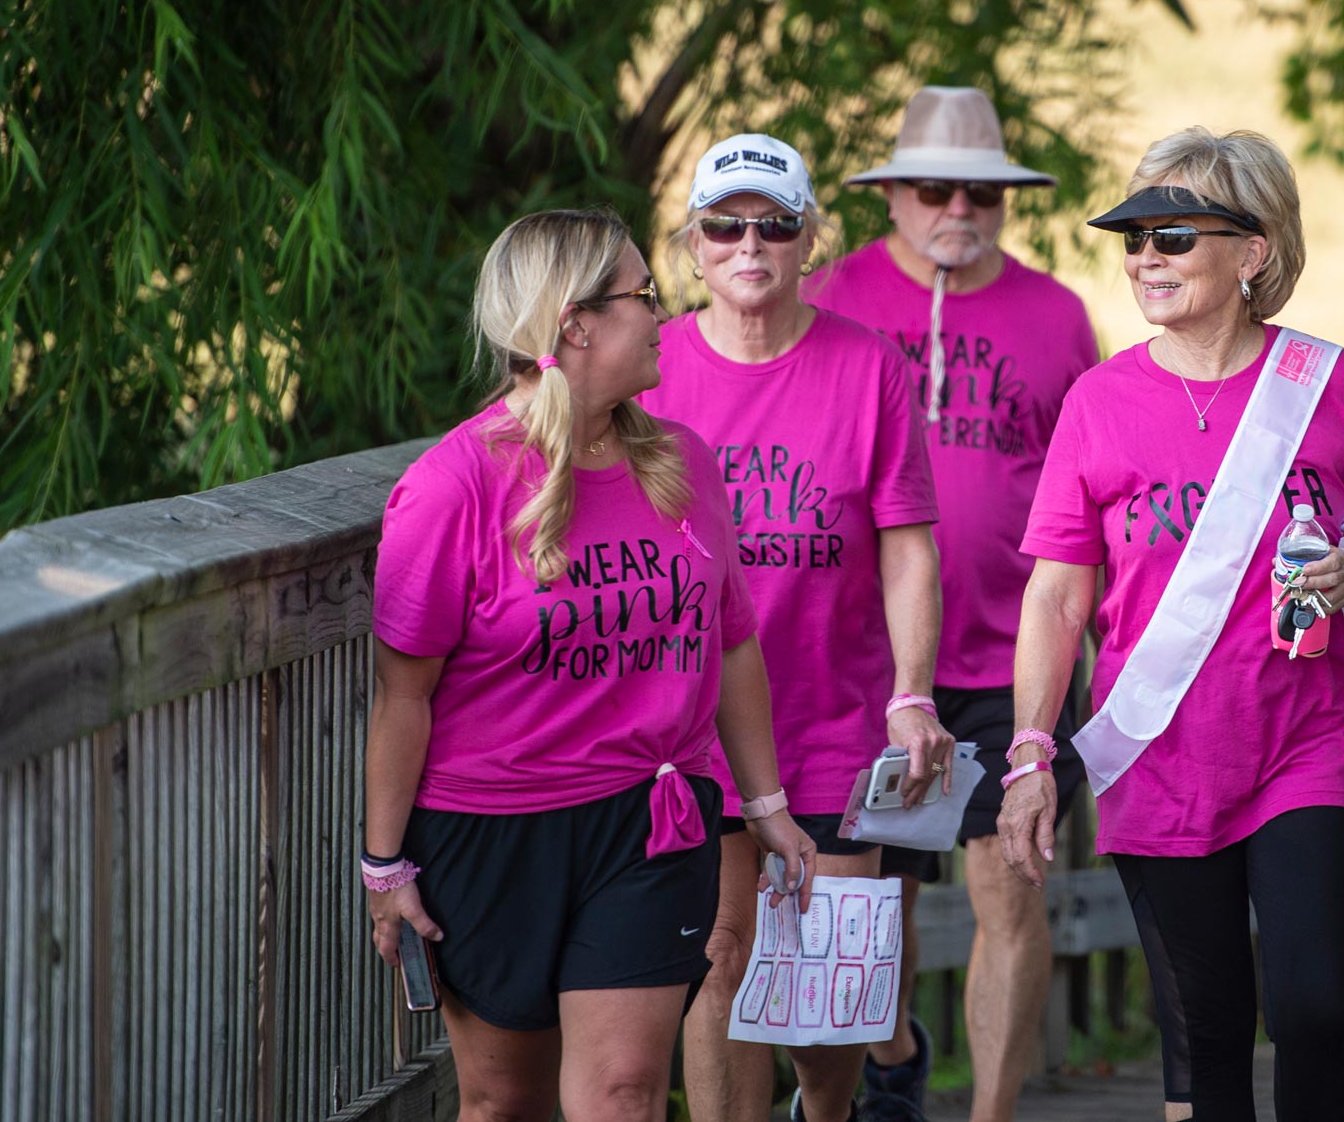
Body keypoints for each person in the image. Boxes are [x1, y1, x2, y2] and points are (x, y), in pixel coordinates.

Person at [996, 128, 1344, 1122]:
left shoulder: (1325, 380)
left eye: (1174, 237)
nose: (1146, 257)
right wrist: (1027, 752)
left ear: (1254, 251)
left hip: (1305, 737)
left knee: (1316, 1007)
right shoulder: (1098, 402)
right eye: (1134, 237)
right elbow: (1057, 596)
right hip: (1163, 751)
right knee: (1210, 1033)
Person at [363, 208, 816, 1122]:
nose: (662, 314)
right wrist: (384, 868)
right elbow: (403, 696)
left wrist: (765, 805)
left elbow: (730, 642)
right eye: (643, 296)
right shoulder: (454, 487)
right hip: (493, 833)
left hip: (649, 826)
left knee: (624, 1091)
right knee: (503, 1103)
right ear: (574, 324)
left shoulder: (682, 466)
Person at [640, 134, 955, 1122]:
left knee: (828, 1005)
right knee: (720, 952)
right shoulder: (652, 371)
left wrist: (912, 692)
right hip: (690, 727)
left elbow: (907, 544)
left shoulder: (865, 365)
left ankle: (828, 1107)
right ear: (693, 245)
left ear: (808, 239)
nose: (750, 243)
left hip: (832, 718)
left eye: (774, 223)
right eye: (725, 224)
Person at [806, 87, 1097, 1122]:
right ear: (892, 195)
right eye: (934, 189)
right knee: (873, 898)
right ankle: (892, 1055)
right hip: (868, 664)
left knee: (1008, 895)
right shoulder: (832, 295)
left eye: (982, 191)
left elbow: (1096, 479)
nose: (958, 209)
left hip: (1015, 657)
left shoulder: (1056, 316)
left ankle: (992, 1112)